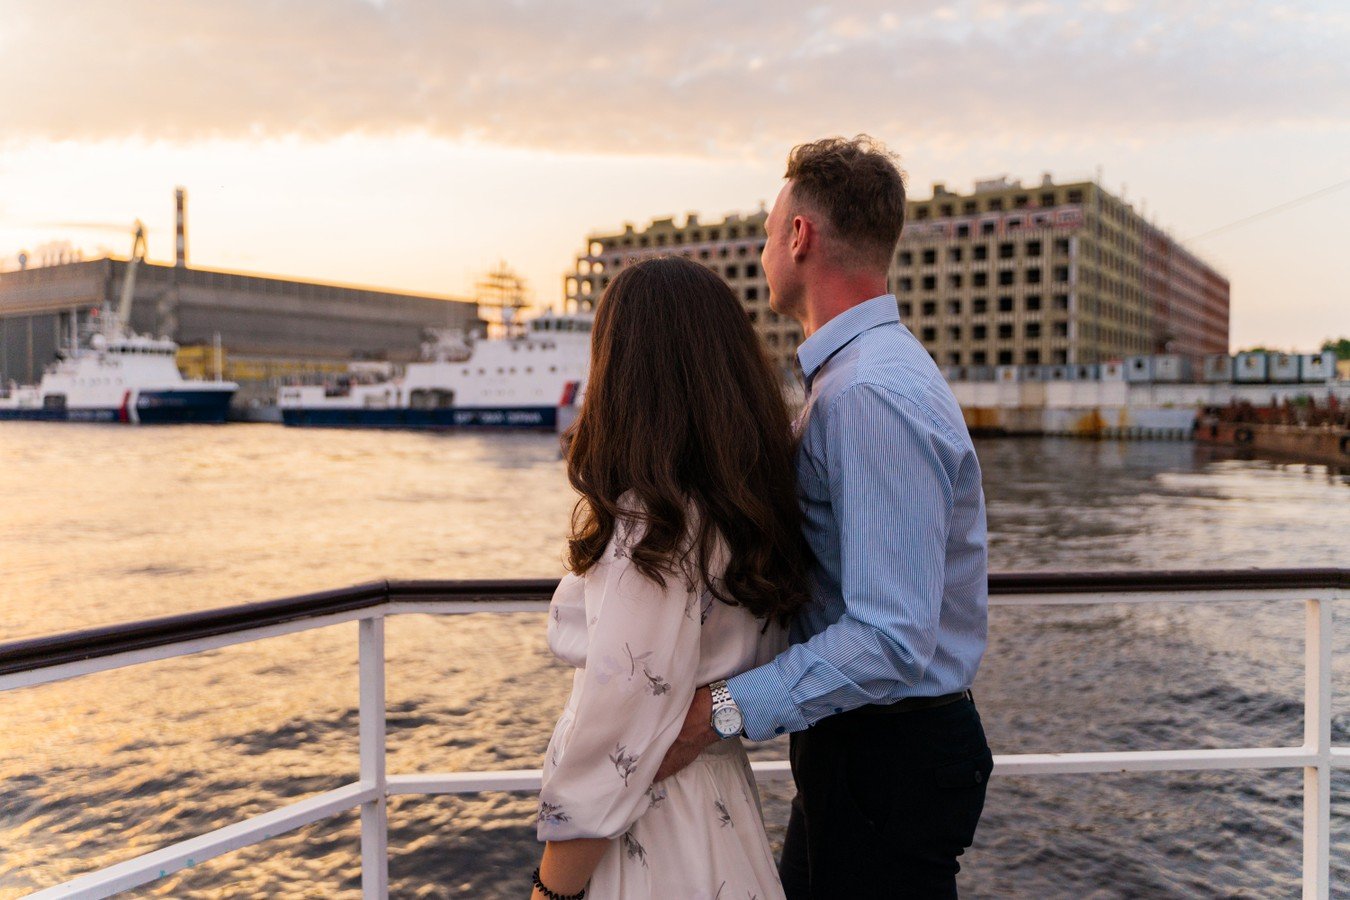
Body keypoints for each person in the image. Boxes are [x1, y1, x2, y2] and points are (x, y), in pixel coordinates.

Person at [656, 135, 994, 899]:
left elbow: (890, 637)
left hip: (885, 755)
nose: (763, 250)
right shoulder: (863, 376)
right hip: (870, 749)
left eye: (767, 231)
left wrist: (717, 711)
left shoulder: (867, 393)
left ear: (799, 236)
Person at [531, 256, 810, 900]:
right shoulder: (738, 508)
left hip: (652, 833)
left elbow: (614, 748)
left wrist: (551, 891)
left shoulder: (654, 530)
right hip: (718, 807)